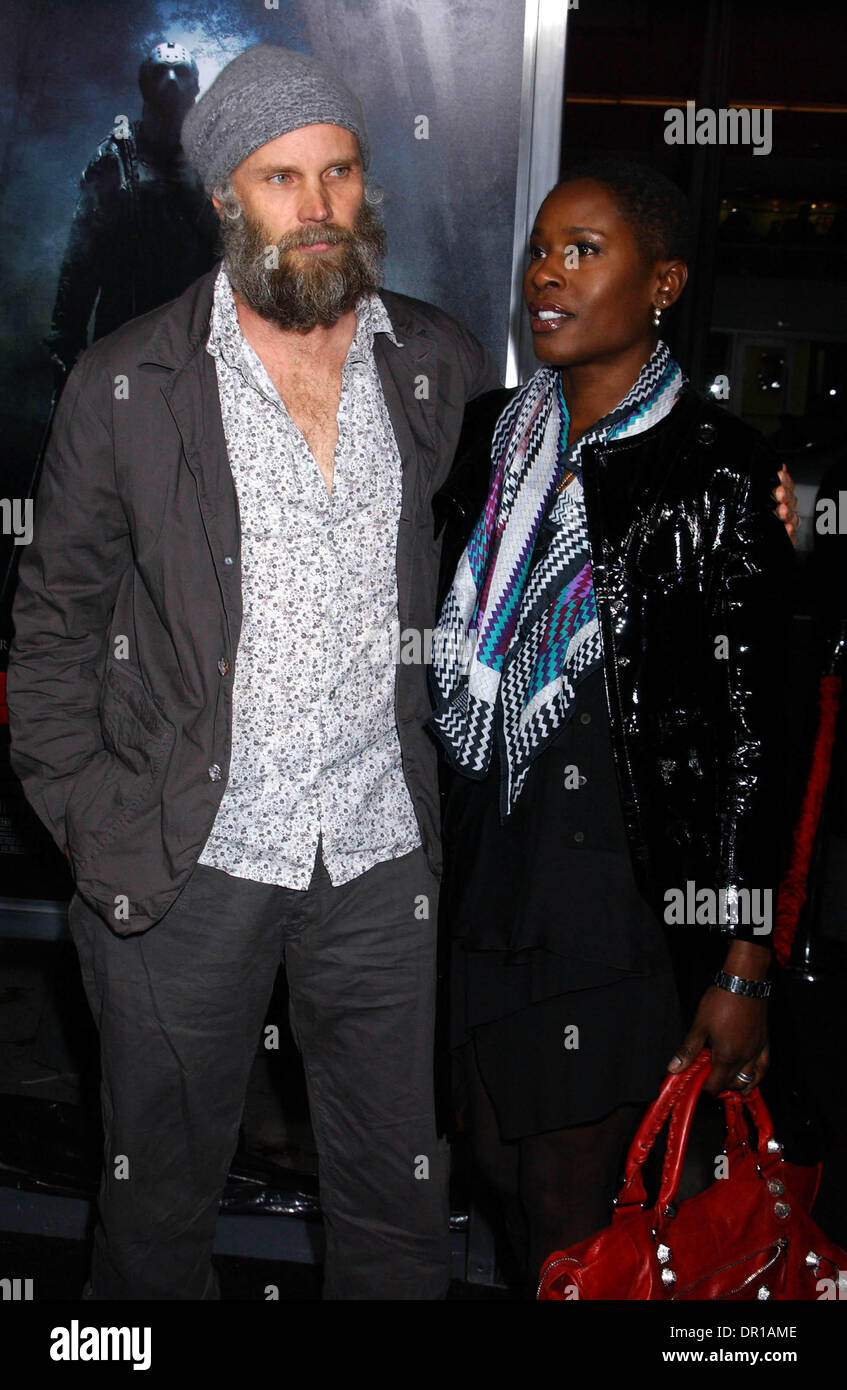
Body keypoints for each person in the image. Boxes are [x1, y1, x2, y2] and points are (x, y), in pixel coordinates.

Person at [7, 44, 500, 1300]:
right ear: (226, 197)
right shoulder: (126, 386)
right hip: (185, 857)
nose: (321, 205)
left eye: (339, 170)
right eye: (283, 178)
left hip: (378, 854)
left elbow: (554, 497)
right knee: (156, 1217)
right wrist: (93, 824)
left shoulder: (433, 362)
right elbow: (53, 631)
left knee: (397, 1207)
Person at [429, 158, 797, 1295]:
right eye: (541, 246)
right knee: (493, 1159)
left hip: (618, 899)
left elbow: (758, 736)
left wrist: (745, 959)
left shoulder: (720, 468)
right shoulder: (494, 433)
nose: (547, 270)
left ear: (664, 283)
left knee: (570, 1198)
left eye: (584, 250)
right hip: (490, 863)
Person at [45, 42, 220, 389]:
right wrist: (66, 340)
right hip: (125, 328)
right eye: (159, 72)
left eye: (181, 73)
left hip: (197, 337)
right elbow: (81, 258)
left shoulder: (216, 161)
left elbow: (238, 253)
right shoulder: (116, 159)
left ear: (196, 85)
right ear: (144, 83)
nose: (170, 81)